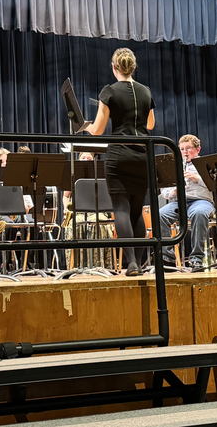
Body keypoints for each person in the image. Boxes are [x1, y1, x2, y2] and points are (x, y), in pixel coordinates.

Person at [85, 48, 156, 276]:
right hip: (143, 156)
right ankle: (139, 262)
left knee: (121, 209)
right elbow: (151, 125)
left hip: (119, 155)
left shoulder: (109, 91)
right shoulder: (146, 91)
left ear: (114, 68)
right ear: (133, 67)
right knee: (137, 210)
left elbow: (97, 130)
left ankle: (131, 263)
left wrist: (84, 126)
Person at [159, 134, 214, 269]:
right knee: (160, 214)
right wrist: (174, 191)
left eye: (188, 148)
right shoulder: (173, 165)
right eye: (182, 149)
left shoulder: (206, 164)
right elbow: (163, 191)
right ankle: (168, 259)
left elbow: (216, 185)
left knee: (199, 213)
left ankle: (197, 259)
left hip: (201, 201)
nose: (184, 152)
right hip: (178, 202)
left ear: (198, 149)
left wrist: (197, 179)